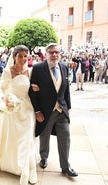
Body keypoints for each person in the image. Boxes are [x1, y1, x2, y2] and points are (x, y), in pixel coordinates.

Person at [0, 45, 38, 185]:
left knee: (27, 137)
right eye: (20, 56)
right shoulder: (7, 71)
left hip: (27, 109)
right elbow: (3, 91)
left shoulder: (30, 71)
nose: (23, 59)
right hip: (11, 108)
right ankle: (12, 164)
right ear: (14, 57)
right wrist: (9, 102)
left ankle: (26, 168)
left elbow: (32, 88)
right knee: (12, 137)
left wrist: (35, 88)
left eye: (25, 56)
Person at [28, 43, 78, 177]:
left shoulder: (64, 67)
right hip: (45, 111)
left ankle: (65, 166)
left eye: (56, 52)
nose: (54, 55)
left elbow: (66, 90)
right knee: (45, 136)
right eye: (51, 52)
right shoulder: (38, 68)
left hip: (61, 110)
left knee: (65, 138)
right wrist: (37, 111)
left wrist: (68, 107)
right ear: (46, 54)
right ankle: (43, 157)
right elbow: (32, 92)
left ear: (60, 53)